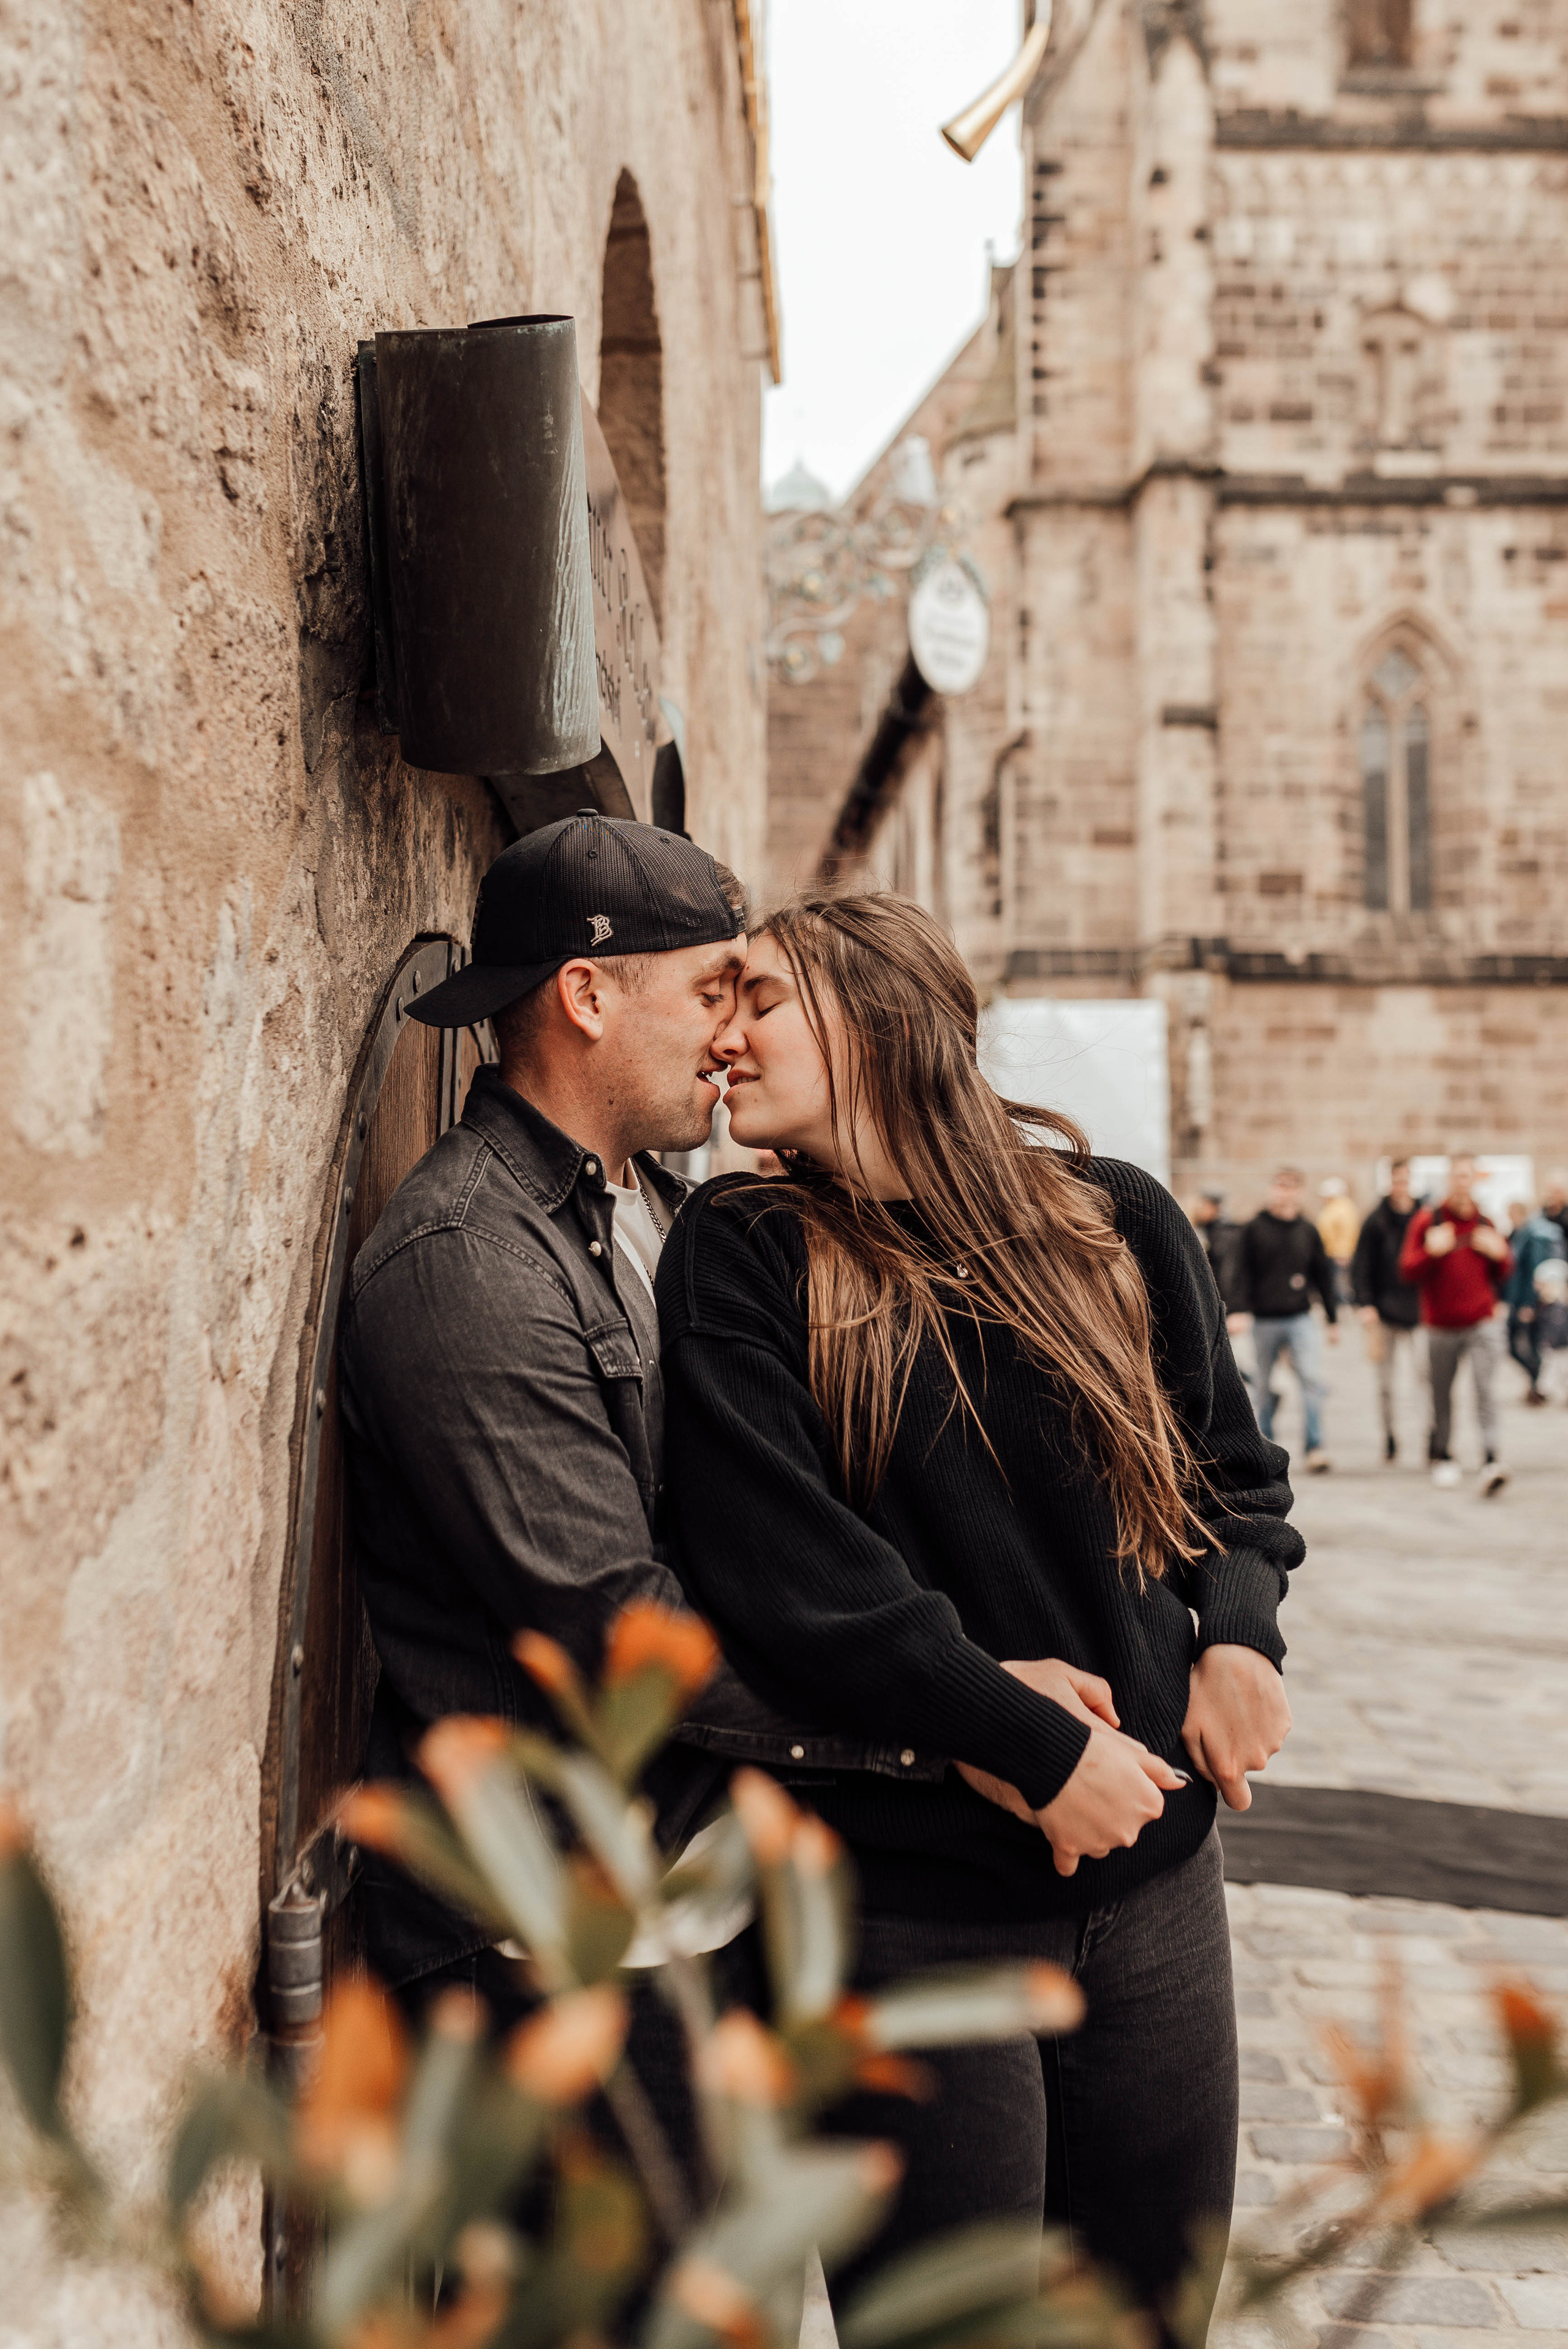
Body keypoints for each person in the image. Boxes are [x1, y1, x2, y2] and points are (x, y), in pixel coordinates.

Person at [655, 893, 1303, 2336]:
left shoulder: (1111, 1216)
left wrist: (1240, 1629)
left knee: (1147, 2312)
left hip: (1153, 1893)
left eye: (756, 996)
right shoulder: (744, 1244)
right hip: (904, 1911)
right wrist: (1019, 1735)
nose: (722, 1031)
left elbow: (1228, 1478)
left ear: (873, 1019)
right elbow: (788, 1572)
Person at [336, 812, 851, 2204]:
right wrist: (937, 1727)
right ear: (584, 993)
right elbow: (621, 1626)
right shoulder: (468, 1258)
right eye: (708, 992)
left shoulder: (656, 1209)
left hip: (692, 1899)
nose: (730, 1035)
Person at [1398, 1154, 1512, 1494]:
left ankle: (1491, 1456)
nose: (1462, 1183)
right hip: (1440, 1326)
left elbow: (1505, 1271)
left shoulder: (1486, 1222)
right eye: (1457, 1177)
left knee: (1486, 1389)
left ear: (1475, 1181)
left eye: (1468, 1177)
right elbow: (1406, 1269)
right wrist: (1431, 1252)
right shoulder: (1428, 1220)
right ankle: (1443, 1454)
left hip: (1481, 1322)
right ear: (1449, 1181)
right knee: (1441, 1394)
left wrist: (1500, 1255)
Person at [1230, 1168, 1340, 1472]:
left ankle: (1315, 1446)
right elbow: (1239, 1273)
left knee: (1311, 1381)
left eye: (1291, 1187)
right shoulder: (1254, 1228)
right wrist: (1237, 1310)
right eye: (1280, 1186)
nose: (1284, 1192)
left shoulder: (1308, 1230)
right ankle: (1265, 1446)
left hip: (1300, 1318)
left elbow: (1323, 1276)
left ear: (1300, 1192)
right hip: (1264, 1320)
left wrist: (1332, 1319)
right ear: (1272, 1189)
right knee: (1264, 1386)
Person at [1351, 1160, 1422, 1461]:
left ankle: (1432, 1438)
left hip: (1420, 1312)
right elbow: (1361, 1265)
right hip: (1383, 1312)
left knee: (1426, 1380)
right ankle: (1390, 1436)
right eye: (1396, 1181)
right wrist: (1366, 1304)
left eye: (1405, 1181)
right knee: (1386, 1384)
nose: (1400, 1187)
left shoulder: (1425, 1217)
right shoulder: (1376, 1220)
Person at [1503, 1200, 1567, 1405]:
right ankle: (1538, 1386)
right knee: (1532, 1347)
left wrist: (1528, 1303)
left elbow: (1533, 1274)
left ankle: (1539, 1387)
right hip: (1522, 1300)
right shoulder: (1521, 1235)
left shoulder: (1533, 1237)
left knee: (1534, 1346)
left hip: (1528, 1302)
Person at [1189, 1187, 1245, 1315]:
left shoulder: (1225, 1235)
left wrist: (1234, 1309)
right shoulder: (1203, 1230)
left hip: (1222, 1305)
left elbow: (1228, 1272)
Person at [1316, 1177, 1360, 1307]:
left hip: (1338, 1254)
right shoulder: (1333, 1207)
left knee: (1340, 1285)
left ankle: (1345, 1307)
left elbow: (1348, 1232)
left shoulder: (1343, 1209)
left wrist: (1344, 1253)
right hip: (1330, 1252)